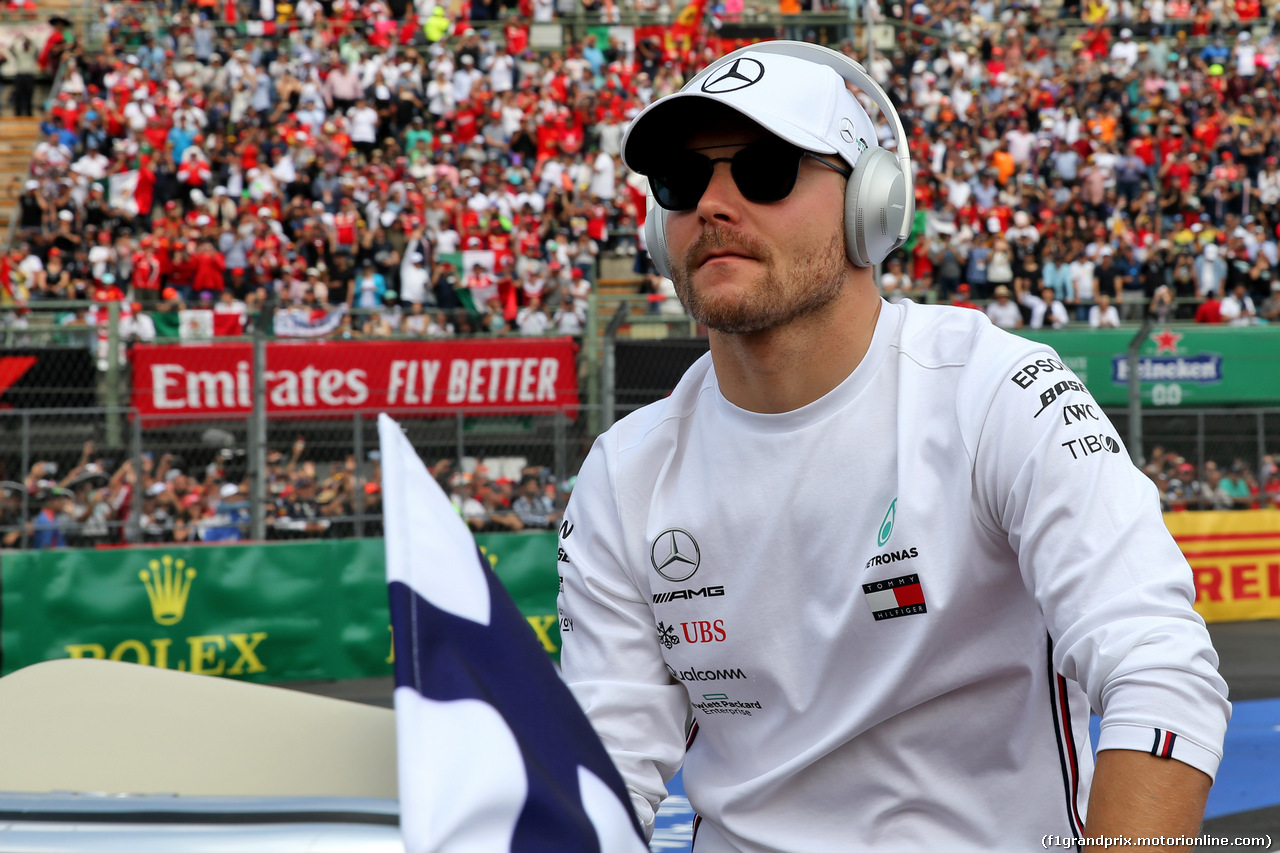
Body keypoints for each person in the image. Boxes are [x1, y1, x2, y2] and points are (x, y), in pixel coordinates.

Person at [556, 42, 1228, 851]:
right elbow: (601, 776)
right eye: (682, 180)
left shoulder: (997, 392)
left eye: (764, 170)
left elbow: (1159, 670)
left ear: (870, 205)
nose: (714, 204)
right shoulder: (623, 474)